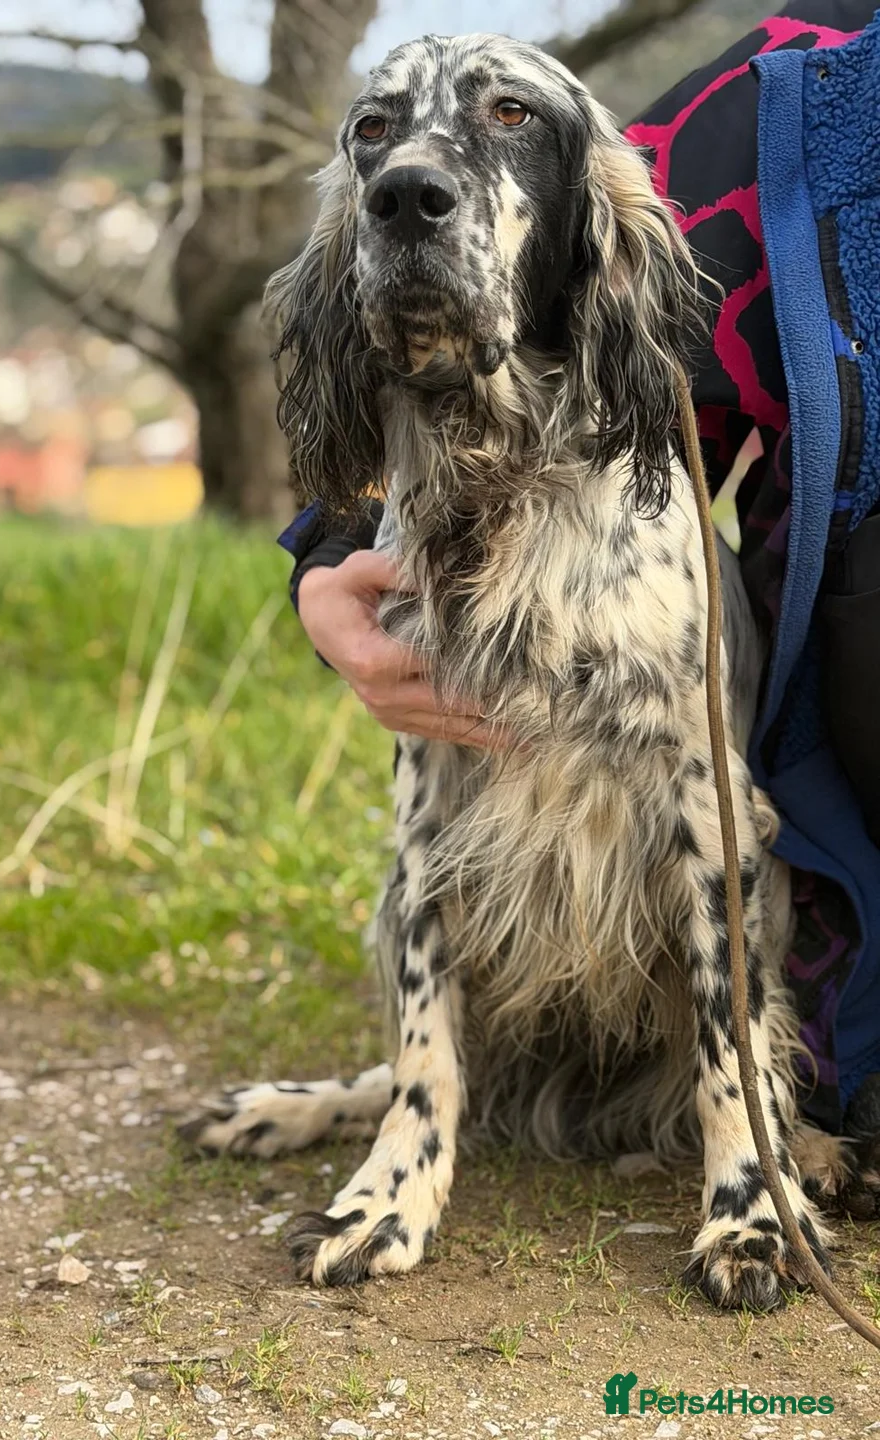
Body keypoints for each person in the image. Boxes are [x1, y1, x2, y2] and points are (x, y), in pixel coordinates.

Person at [279, 0, 880, 1141]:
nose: (414, 171)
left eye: (501, 118)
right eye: (381, 141)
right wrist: (334, 555)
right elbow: (584, 318)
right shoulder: (807, 95)